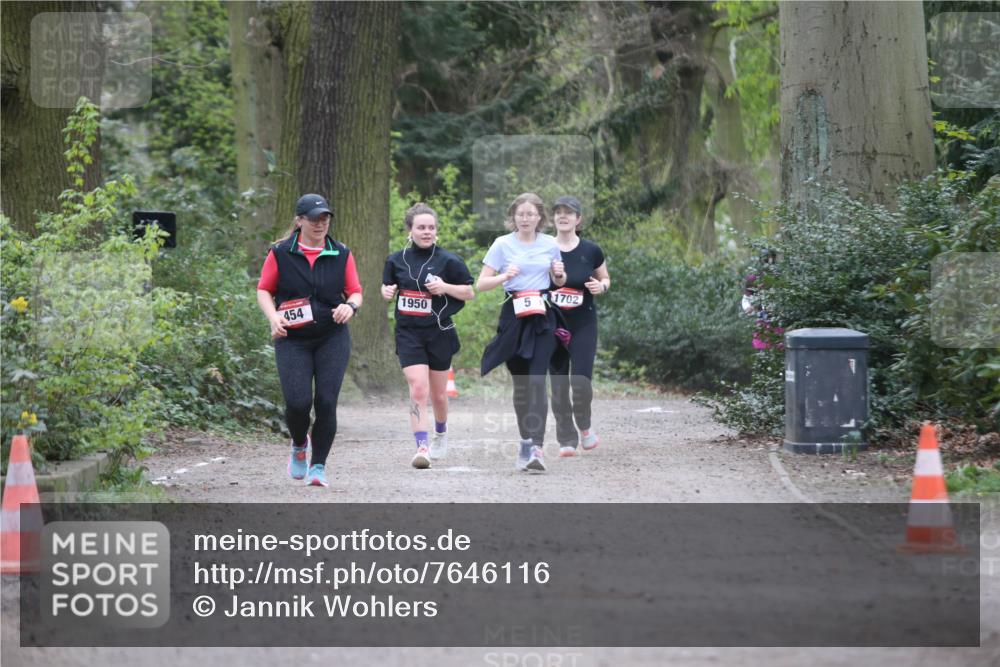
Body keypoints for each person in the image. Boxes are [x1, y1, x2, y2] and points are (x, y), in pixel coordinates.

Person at [256, 193, 362, 488]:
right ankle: (299, 443)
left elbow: (355, 291)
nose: (320, 224)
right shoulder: (280, 252)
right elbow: (264, 289)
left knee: (326, 402)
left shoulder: (341, 252)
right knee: (298, 403)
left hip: (332, 336)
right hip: (292, 338)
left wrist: (349, 307)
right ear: (299, 221)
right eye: (314, 219)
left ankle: (318, 466)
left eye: (325, 218)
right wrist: (273, 318)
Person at [381, 203, 475, 469]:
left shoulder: (449, 260)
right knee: (418, 388)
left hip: (439, 332)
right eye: (421, 227)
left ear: (436, 230)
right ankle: (421, 447)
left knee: (439, 396)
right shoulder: (395, 260)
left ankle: (440, 433)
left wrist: (444, 287)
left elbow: (469, 293)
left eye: (431, 227)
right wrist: (385, 292)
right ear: (410, 230)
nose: (426, 232)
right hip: (408, 333)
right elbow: (387, 288)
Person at [478, 192, 566, 473]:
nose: (525, 218)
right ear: (513, 217)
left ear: (540, 217)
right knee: (522, 384)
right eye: (521, 214)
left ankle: (537, 448)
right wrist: (504, 276)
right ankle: (526, 441)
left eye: (530, 214)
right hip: (513, 316)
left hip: (542, 316)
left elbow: (559, 281)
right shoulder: (502, 244)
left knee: (538, 381)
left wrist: (559, 274)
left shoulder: (550, 244)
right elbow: (481, 284)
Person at [548, 196, 610, 457]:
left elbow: (605, 278)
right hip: (552, 324)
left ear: (578, 219)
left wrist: (601, 286)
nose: (563, 216)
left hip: (583, 323)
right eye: (558, 212)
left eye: (569, 212)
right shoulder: (543, 248)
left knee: (581, 381)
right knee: (558, 383)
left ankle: (584, 425)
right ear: (553, 218)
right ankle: (566, 437)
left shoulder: (591, 250)